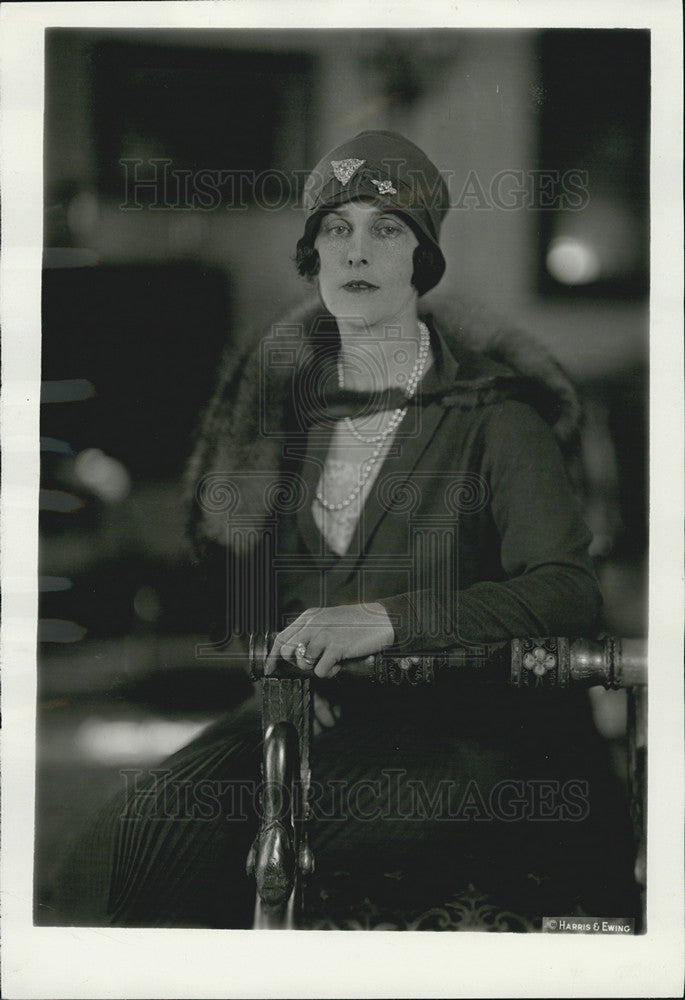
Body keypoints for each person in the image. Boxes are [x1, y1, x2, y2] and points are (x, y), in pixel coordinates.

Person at [55, 130, 639, 929]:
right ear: (315, 258)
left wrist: (387, 622)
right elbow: (261, 575)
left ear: (419, 261)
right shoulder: (288, 415)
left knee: (238, 855)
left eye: (386, 229)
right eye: (337, 229)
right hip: (310, 711)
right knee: (124, 849)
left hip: (464, 732)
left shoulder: (498, 416)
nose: (356, 250)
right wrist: (283, 659)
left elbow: (567, 591)